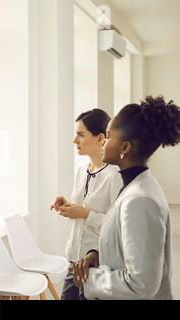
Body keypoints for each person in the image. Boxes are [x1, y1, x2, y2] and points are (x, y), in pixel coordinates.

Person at [72, 96, 180, 300]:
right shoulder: (134, 186)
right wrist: (97, 255)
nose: (102, 141)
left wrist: (91, 279)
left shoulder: (141, 200)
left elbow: (141, 284)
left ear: (125, 148)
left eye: (109, 135)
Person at [50, 109, 122, 300]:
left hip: (97, 265)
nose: (75, 140)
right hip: (74, 259)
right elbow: (81, 209)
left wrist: (84, 213)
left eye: (80, 135)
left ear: (100, 138)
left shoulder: (115, 176)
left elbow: (118, 227)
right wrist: (68, 206)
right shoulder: (82, 170)